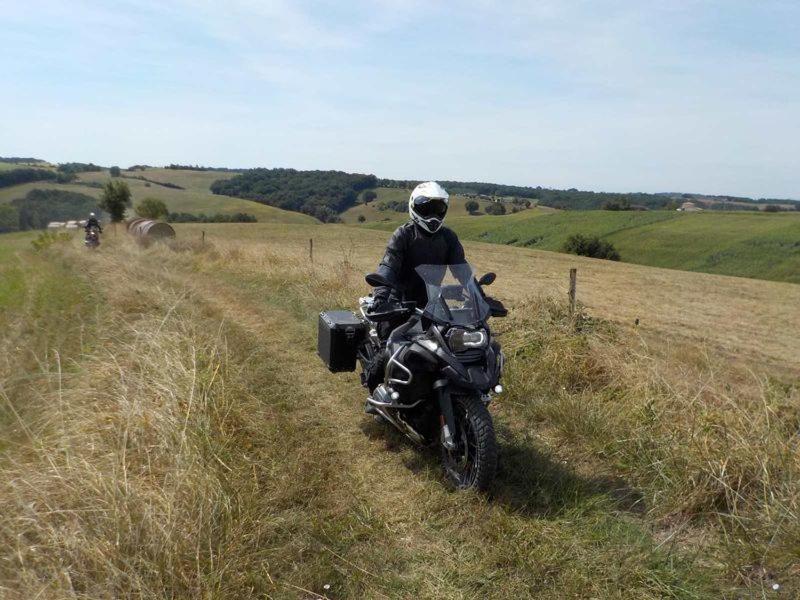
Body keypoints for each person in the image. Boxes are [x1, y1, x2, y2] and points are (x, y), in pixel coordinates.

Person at [370, 181, 466, 320]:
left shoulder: (448, 237)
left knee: (455, 336)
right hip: (400, 303)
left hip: (433, 303)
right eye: (426, 209)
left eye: (438, 209)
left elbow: (462, 268)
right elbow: (389, 265)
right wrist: (380, 296)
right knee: (391, 338)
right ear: (413, 207)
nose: (433, 215)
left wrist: (480, 297)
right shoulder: (403, 234)